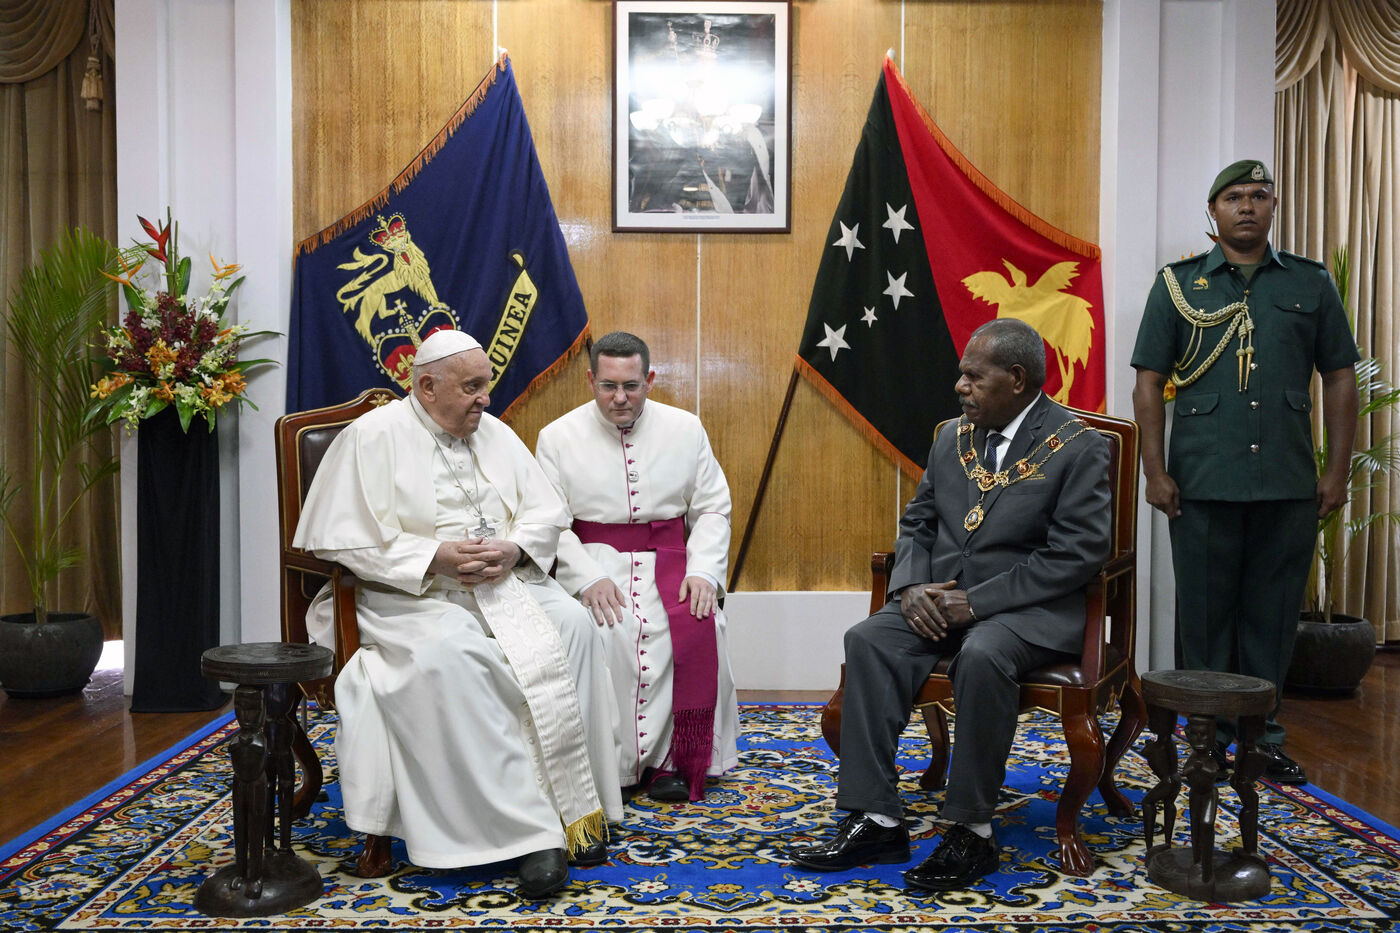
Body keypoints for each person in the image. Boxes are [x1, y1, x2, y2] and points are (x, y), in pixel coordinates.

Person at [292, 329, 624, 899]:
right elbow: (341, 541)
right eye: (471, 387)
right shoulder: (372, 437)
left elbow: (546, 513)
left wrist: (515, 548)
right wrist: (433, 558)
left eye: (485, 385)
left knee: (573, 627)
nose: (484, 399)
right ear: (427, 386)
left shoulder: (494, 433)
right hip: (409, 598)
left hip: (503, 585)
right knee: (455, 656)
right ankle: (524, 834)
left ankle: (577, 812)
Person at [787, 318, 1112, 892]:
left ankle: (971, 829)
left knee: (983, 654)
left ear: (1016, 379)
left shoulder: (1079, 445)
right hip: (940, 600)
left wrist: (976, 603)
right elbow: (918, 523)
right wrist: (911, 587)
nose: (960, 386)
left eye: (973, 376)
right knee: (869, 639)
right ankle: (877, 819)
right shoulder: (951, 437)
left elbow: (1076, 555)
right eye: (962, 375)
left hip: (1029, 610)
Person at [1131, 159, 1359, 786]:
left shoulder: (1310, 282)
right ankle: (1204, 739)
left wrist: (1337, 471)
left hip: (1287, 482)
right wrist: (1155, 471)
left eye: (1259, 194)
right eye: (1234, 196)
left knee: (1273, 618)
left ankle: (1261, 739)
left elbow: (1340, 376)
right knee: (1204, 620)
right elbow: (1148, 382)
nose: (1248, 205)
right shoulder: (1179, 286)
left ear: (1274, 206)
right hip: (1202, 482)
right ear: (1213, 211)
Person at [535, 331, 739, 802]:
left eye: (631, 385)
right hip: (594, 562)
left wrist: (704, 570)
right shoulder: (557, 437)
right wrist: (587, 577)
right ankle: (611, 766)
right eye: (608, 386)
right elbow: (549, 523)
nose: (620, 398)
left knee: (700, 621)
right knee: (607, 629)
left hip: (671, 561)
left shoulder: (686, 428)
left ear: (649, 379)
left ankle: (674, 761)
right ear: (591, 381)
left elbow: (712, 508)